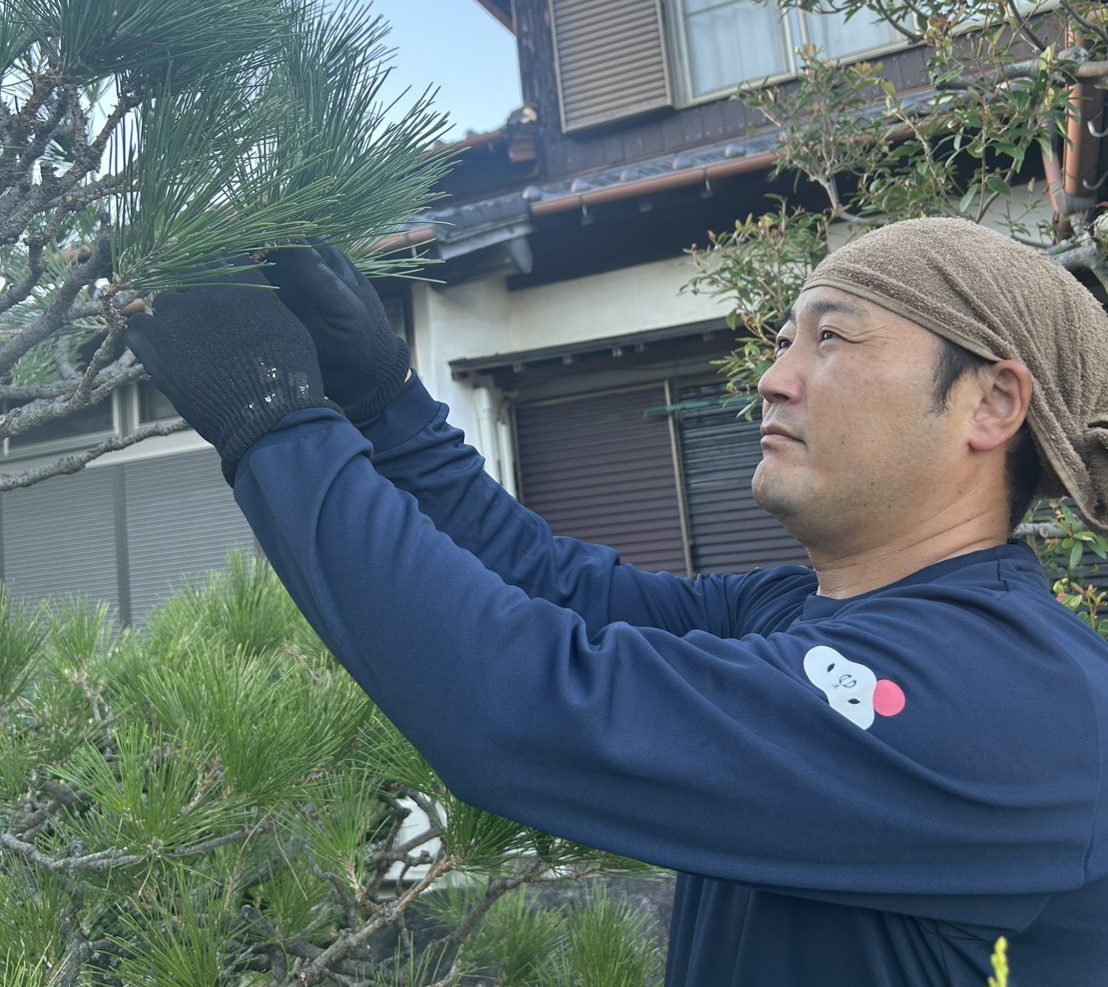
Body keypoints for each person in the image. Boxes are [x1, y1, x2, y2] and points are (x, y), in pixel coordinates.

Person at [126, 217, 1108, 987]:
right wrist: (380, 399)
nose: (771, 378)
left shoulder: (1014, 697)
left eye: (832, 340)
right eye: (782, 342)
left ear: (991, 403)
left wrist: (273, 421)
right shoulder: (807, 617)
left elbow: (523, 705)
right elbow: (555, 589)